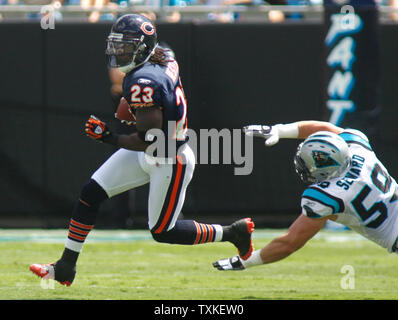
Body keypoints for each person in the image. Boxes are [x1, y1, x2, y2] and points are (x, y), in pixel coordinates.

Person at [29, 14, 254, 286]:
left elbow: (149, 138)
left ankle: (232, 232)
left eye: (125, 46)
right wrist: (138, 111)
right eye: (117, 44)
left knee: (163, 231)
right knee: (91, 192)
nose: (118, 51)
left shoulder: (142, 82)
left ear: (142, 47)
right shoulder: (163, 55)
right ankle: (66, 265)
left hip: (169, 157)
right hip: (154, 147)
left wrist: (108, 137)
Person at [213, 120, 398, 271]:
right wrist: (280, 130)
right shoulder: (359, 148)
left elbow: (289, 243)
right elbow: (326, 129)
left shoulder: (327, 196)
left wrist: (246, 261)